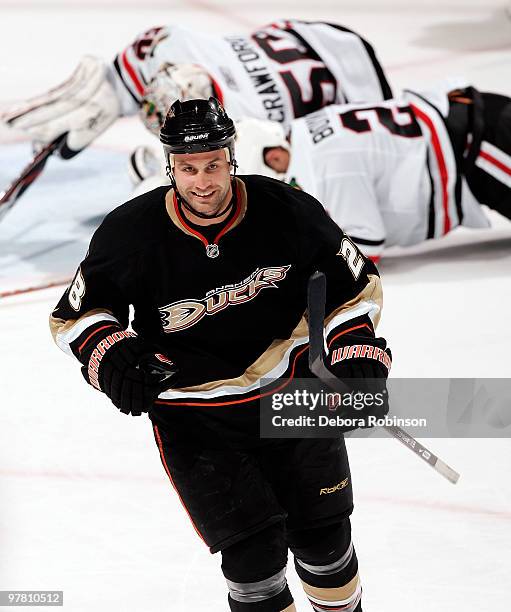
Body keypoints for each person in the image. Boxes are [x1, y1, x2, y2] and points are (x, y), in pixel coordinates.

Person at [49, 98, 391, 612]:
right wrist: (113, 357)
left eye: (213, 165)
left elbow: (352, 286)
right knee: (253, 563)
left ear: (231, 157)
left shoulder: (286, 210)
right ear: (170, 166)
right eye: (188, 169)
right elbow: (75, 315)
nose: (202, 182)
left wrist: (355, 351)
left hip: (293, 398)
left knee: (326, 545)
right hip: (199, 420)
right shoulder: (131, 233)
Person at [2, 20, 392, 164]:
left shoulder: (169, 43)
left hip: (333, 57)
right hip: (330, 52)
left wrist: (120, 80)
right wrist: (115, 86)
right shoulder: (241, 125)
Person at [232, 84, 511, 261]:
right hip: (475, 126)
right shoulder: (305, 132)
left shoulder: (327, 169)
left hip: (482, 145)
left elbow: (366, 246)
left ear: (275, 156)